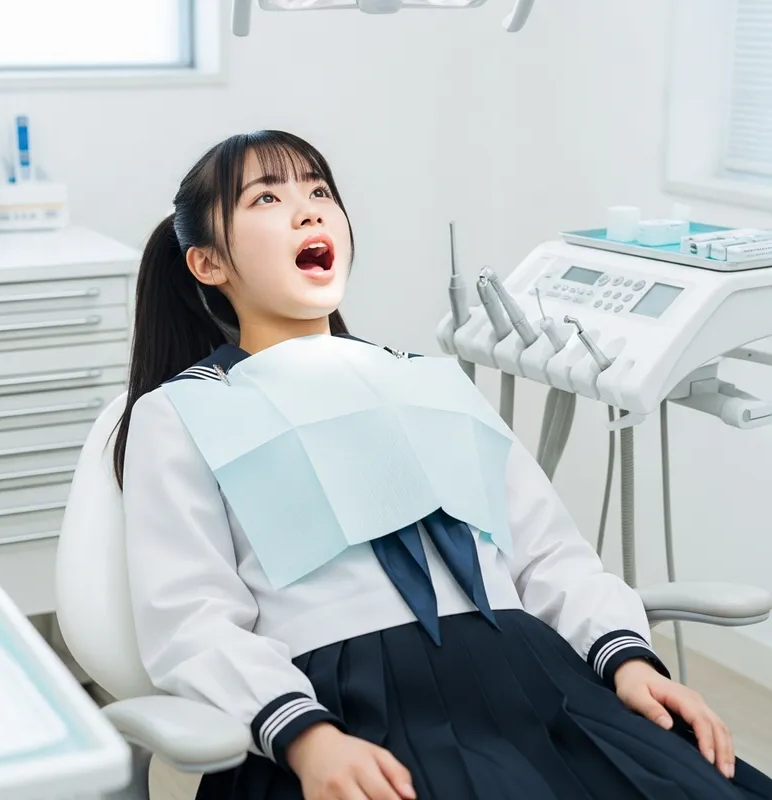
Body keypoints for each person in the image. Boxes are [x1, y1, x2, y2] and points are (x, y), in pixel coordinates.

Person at [117, 130, 772, 800]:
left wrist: (628, 660)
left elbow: (548, 556)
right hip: (342, 710)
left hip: (535, 681)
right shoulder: (183, 411)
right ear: (208, 263)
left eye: (319, 191)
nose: (309, 210)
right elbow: (191, 619)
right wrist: (307, 736)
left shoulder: (430, 381)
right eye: (266, 198)